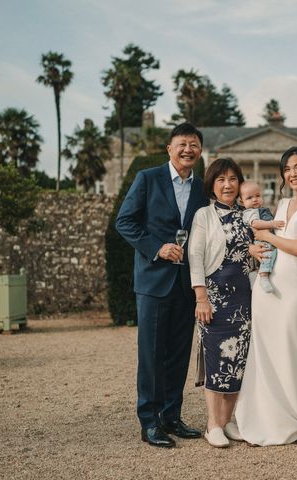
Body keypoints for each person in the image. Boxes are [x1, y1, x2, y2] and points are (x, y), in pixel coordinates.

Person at [115, 123, 209, 448]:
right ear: (169, 148)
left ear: (200, 150)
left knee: (179, 354)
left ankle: (172, 417)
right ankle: (149, 422)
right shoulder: (147, 178)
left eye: (194, 145)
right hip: (154, 282)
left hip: (186, 284)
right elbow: (124, 221)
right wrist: (157, 247)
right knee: (152, 355)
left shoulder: (201, 188)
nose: (188, 150)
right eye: (182, 144)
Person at [235, 146, 297, 448]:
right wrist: (255, 248)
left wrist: (267, 237)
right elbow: (269, 244)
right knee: (264, 352)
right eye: (288, 169)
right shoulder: (282, 202)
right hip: (268, 285)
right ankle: (263, 417)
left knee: (291, 347)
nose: (293, 173)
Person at [188, 158, 254, 448]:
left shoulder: (248, 215)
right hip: (214, 298)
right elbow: (195, 256)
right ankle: (212, 424)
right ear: (212, 185)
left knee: (238, 362)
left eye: (232, 179)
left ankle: (228, 422)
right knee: (216, 361)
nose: (227, 185)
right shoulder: (204, 215)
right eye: (220, 180)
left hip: (244, 297)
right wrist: (201, 297)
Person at [239, 180, 285, 293]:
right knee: (267, 254)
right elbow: (255, 223)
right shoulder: (249, 212)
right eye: (249, 198)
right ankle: (263, 277)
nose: (255, 199)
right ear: (241, 201)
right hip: (261, 241)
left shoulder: (261, 209)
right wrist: (272, 224)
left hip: (268, 238)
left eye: (257, 196)